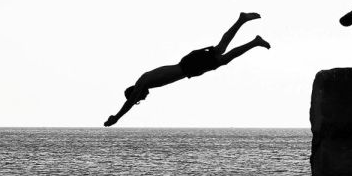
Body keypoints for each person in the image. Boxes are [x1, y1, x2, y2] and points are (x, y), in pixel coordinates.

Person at [103, 12, 270, 127]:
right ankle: (244, 24)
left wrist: (116, 118)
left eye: (139, 99)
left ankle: (254, 40)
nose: (143, 99)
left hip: (189, 66)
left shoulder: (142, 83)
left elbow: (128, 104)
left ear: (135, 94)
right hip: (189, 66)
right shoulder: (145, 81)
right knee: (221, 50)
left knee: (223, 57)